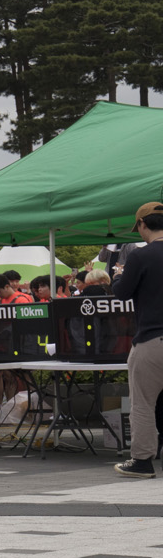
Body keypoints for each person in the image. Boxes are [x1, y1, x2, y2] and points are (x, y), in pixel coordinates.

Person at [112, 202, 163, 477]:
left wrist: (117, 276)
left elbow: (122, 293)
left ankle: (142, 461)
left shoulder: (141, 256)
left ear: (143, 225)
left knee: (143, 402)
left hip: (154, 338)